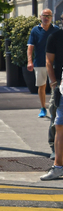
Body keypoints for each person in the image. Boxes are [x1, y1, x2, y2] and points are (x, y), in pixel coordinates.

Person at [28, 9, 58, 118]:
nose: (46, 18)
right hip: (40, 62)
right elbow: (30, 47)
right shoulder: (35, 30)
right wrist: (30, 61)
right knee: (41, 86)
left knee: (55, 85)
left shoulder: (56, 30)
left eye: (49, 16)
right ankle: (43, 108)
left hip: (54, 63)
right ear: (40, 17)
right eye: (44, 15)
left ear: (51, 17)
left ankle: (55, 107)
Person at [43, 19, 63, 179]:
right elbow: (48, 61)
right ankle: (55, 157)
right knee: (57, 123)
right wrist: (54, 83)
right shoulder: (55, 37)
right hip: (60, 87)